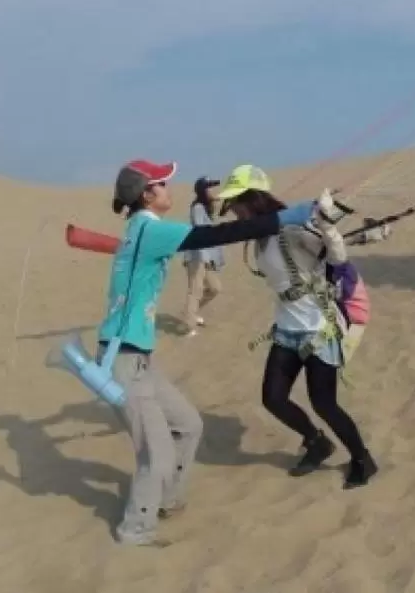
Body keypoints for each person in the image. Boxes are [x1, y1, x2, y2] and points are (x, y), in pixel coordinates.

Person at [100, 159, 320, 547]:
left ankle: (166, 502)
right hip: (123, 356)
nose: (171, 189)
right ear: (147, 194)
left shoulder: (140, 230)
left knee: (188, 425)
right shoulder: (150, 230)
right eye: (163, 183)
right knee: (157, 454)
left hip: (139, 357)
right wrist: (287, 217)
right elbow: (219, 235)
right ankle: (135, 531)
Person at [214, 164, 379, 490]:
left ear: (254, 200)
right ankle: (316, 442)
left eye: (236, 205)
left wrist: (328, 227)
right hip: (287, 329)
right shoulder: (259, 238)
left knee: (324, 403)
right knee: (273, 398)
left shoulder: (291, 230)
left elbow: (336, 256)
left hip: (318, 329)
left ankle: (362, 458)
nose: (233, 212)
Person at [181, 176, 226, 336]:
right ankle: (189, 326)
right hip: (196, 256)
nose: (212, 190)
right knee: (195, 290)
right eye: (209, 188)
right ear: (202, 191)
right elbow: (200, 233)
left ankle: (190, 313)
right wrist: (206, 258)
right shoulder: (198, 208)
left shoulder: (205, 208)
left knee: (215, 288)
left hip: (206, 257)